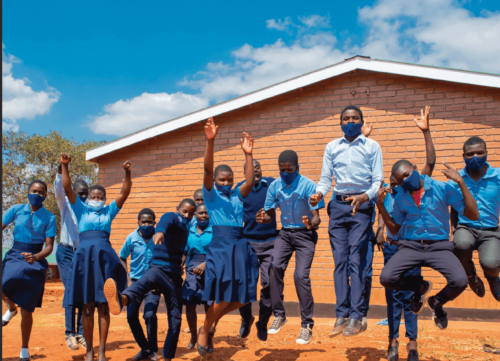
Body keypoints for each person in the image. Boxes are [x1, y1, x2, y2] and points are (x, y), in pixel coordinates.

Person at [378, 158, 480, 331]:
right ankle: (421, 287)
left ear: (416, 169)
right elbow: (395, 229)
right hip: (411, 246)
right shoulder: (401, 196)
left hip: (439, 246)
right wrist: (380, 204)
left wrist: (461, 182)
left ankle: (436, 303)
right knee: (387, 278)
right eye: (400, 180)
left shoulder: (441, 188)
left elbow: (473, 214)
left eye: (407, 175)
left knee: (460, 281)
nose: (404, 181)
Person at [310, 105, 383, 337]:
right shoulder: (332, 147)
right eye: (346, 118)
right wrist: (319, 194)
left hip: (361, 207)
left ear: (362, 121)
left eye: (355, 118)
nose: (350, 121)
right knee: (340, 261)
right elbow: (324, 179)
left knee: (356, 261)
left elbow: (378, 181)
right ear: (340, 122)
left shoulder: (372, 146)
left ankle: (356, 316)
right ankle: (341, 315)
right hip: (339, 206)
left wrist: (365, 196)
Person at [195, 116, 259, 356]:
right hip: (221, 247)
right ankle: (205, 330)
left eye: (229, 180)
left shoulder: (236, 196)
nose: (226, 182)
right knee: (221, 296)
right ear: (215, 181)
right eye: (222, 179)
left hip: (240, 246)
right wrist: (210, 141)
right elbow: (207, 169)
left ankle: (210, 323)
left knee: (244, 296)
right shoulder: (211, 196)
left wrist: (248, 155)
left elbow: (250, 182)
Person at [104, 199, 196, 361]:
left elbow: (182, 249)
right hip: (158, 268)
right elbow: (165, 220)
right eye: (184, 212)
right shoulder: (172, 218)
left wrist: (181, 262)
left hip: (173, 277)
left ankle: (166, 356)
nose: (187, 215)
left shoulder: (187, 229)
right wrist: (159, 231)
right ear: (178, 210)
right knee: (143, 283)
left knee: (175, 318)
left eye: (190, 213)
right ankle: (122, 298)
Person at [60, 153, 131, 361]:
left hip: (104, 261)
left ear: (105, 200)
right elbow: (67, 187)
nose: (97, 199)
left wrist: (127, 173)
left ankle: (101, 352)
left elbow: (124, 193)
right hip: (84, 261)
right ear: (88, 198)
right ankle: (89, 351)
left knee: (103, 306)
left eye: (101, 197)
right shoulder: (80, 210)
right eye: (94, 196)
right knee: (87, 306)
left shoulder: (109, 212)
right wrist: (65, 166)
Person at [257, 149, 325, 345]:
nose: (285, 173)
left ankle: (307, 325)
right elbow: (270, 214)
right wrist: (263, 219)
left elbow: (317, 217)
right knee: (274, 267)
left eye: (289, 169)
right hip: (285, 234)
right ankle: (279, 314)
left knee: (300, 276)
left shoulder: (307, 185)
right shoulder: (275, 186)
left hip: (305, 234)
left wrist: (311, 223)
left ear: (297, 168)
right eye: (282, 170)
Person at [2, 180, 56, 361]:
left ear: (46, 196)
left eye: (41, 192)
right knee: (3, 286)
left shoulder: (49, 217)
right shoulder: (16, 209)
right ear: (28, 191)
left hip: (35, 260)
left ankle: (24, 349)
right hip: (15, 255)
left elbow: (49, 247)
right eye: (34, 191)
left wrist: (37, 257)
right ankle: (10, 308)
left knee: (27, 309)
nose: (37, 194)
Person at [450, 136, 500, 302]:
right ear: (463, 156)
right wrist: (453, 228)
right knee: (460, 243)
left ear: (487, 153)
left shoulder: (498, 176)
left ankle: (492, 278)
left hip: (491, 230)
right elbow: (454, 206)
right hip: (467, 226)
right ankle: (471, 276)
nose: (475, 157)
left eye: (480, 152)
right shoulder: (457, 178)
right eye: (470, 154)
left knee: (492, 264)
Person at [236, 159, 278, 341]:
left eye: (258, 167)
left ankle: (262, 322)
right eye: (251, 169)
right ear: (245, 172)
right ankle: (246, 318)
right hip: (248, 243)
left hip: (270, 242)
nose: (256, 170)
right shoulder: (239, 189)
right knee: (244, 285)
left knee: (269, 285)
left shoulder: (272, 184)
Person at [54, 163, 88, 351]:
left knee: (82, 292)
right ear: (72, 192)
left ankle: (80, 333)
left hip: (82, 253)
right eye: (79, 193)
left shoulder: (90, 209)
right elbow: (59, 188)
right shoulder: (65, 204)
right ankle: (69, 334)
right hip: (66, 252)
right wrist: (62, 169)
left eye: (85, 193)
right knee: (71, 290)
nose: (82, 196)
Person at [119, 208, 160, 361]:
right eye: (143, 222)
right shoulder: (132, 237)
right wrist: (128, 279)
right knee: (131, 316)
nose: (146, 224)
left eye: (149, 221)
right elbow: (122, 257)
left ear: (154, 222)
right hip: (135, 282)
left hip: (153, 284)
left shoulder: (160, 237)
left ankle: (154, 350)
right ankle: (145, 348)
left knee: (150, 315)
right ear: (138, 223)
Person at [182, 203, 214, 351]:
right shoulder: (189, 231)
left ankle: (208, 336)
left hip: (211, 266)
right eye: (200, 213)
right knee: (189, 302)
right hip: (192, 268)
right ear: (195, 215)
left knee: (209, 304)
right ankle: (194, 336)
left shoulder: (214, 230)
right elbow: (185, 251)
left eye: (206, 213)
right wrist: (179, 266)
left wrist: (206, 263)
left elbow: (220, 251)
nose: (203, 215)